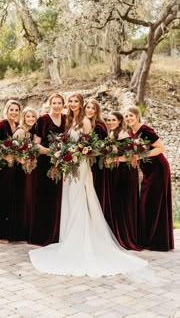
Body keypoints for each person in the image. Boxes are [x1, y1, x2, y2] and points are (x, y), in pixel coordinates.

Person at [29, 94, 149, 277]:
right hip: (69, 165)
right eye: (70, 101)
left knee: (79, 196)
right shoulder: (69, 120)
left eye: (76, 101)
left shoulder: (85, 121)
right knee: (69, 196)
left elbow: (89, 145)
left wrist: (76, 153)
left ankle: (80, 238)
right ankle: (68, 236)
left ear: (81, 104)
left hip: (81, 164)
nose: (72, 104)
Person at [125, 106, 174, 251]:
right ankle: (149, 238)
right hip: (147, 171)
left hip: (158, 169)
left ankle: (157, 241)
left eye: (131, 116)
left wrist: (140, 156)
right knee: (148, 203)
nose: (128, 118)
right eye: (126, 116)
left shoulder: (145, 130)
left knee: (153, 202)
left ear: (137, 116)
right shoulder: (131, 132)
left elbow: (160, 148)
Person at [30, 93, 66, 245]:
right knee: (45, 197)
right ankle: (43, 235)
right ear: (50, 104)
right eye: (54, 103)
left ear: (63, 104)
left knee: (59, 198)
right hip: (45, 163)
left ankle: (57, 233)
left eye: (59, 103)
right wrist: (51, 152)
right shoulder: (43, 120)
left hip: (61, 163)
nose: (57, 105)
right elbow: (35, 144)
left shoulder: (66, 119)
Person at [105, 111, 141, 250]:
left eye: (113, 120)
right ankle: (118, 235)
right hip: (116, 173)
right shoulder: (112, 134)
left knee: (124, 204)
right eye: (108, 120)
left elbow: (133, 156)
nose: (110, 122)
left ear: (120, 121)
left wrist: (116, 159)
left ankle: (127, 237)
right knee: (118, 204)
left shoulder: (123, 134)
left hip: (125, 173)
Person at [0, 100, 21, 244]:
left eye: (16, 110)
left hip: (13, 168)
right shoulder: (2, 125)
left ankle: (11, 232)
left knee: (11, 199)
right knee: (2, 199)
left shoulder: (17, 126)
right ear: (6, 110)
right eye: (11, 110)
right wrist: (4, 156)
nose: (14, 112)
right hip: (2, 168)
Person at [13, 106, 38, 242]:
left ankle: (27, 230)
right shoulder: (21, 131)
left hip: (27, 169)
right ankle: (21, 232)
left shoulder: (31, 131)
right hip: (20, 170)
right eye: (28, 116)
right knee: (22, 198)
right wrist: (23, 160)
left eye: (33, 117)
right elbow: (13, 150)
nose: (31, 119)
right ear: (23, 117)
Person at [84, 99, 109, 211]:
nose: (90, 110)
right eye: (88, 107)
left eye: (93, 108)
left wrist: (89, 153)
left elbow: (100, 147)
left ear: (97, 111)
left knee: (96, 190)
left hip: (98, 164)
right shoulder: (84, 122)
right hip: (87, 161)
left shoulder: (99, 125)